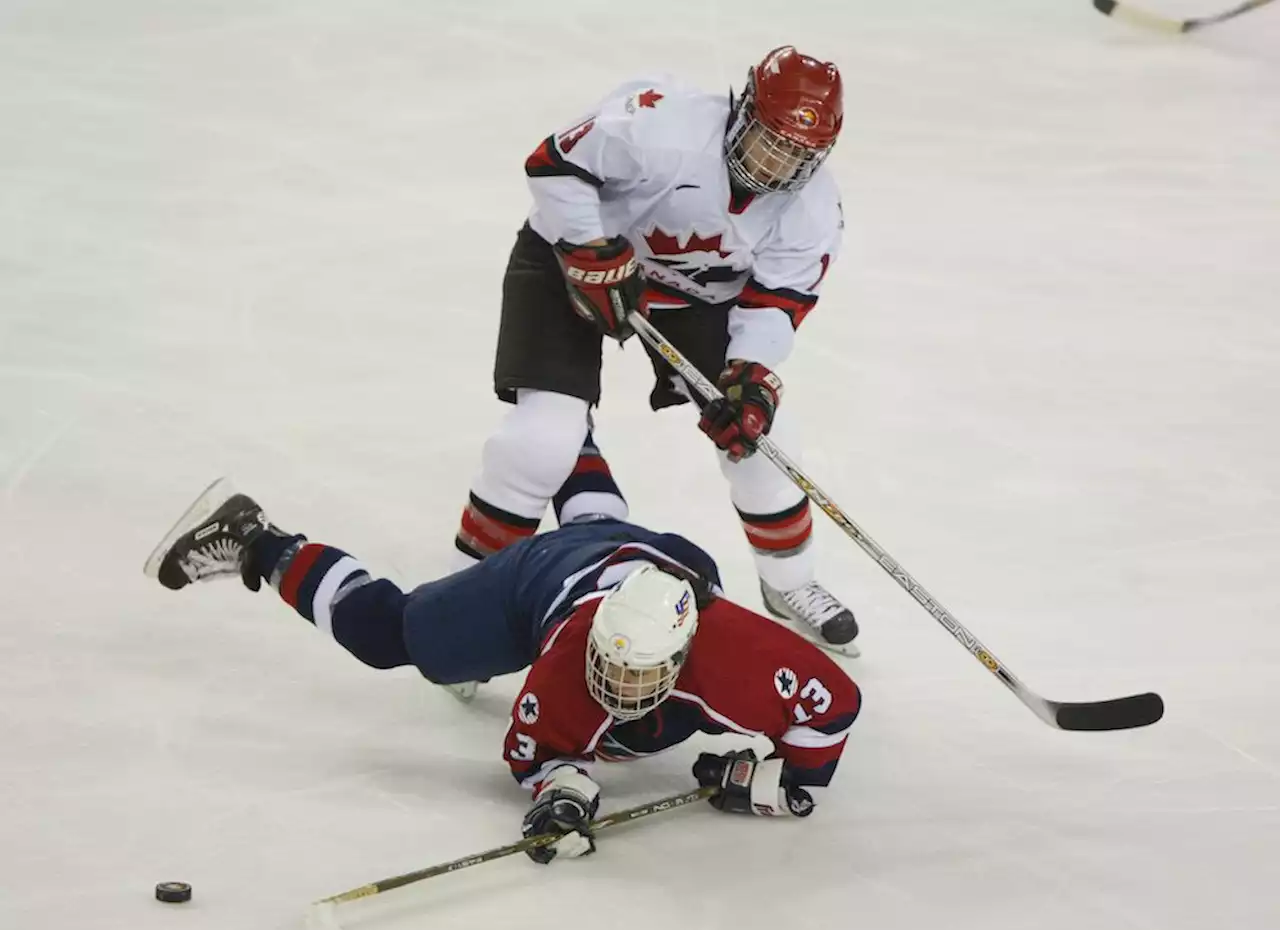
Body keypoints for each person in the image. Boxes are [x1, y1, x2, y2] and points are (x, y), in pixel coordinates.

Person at [144, 459, 861, 864]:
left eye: (642, 673)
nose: (619, 687)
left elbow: (832, 705)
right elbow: (533, 753)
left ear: (683, 650)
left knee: (605, 533)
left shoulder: (737, 652)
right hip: (539, 585)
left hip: (667, 564)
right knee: (391, 636)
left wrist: (787, 782)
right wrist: (561, 788)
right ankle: (256, 539)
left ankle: (569, 445)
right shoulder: (564, 670)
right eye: (612, 667)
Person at [451, 46, 860, 680]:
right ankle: (472, 600)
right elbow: (553, 163)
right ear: (741, 108)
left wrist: (751, 380)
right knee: (541, 442)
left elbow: (777, 300)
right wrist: (588, 246)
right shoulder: (660, 125)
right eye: (768, 141)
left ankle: (790, 582)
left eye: (797, 155)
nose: (776, 165)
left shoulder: (813, 209)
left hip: (697, 299)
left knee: (763, 440)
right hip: (571, 265)